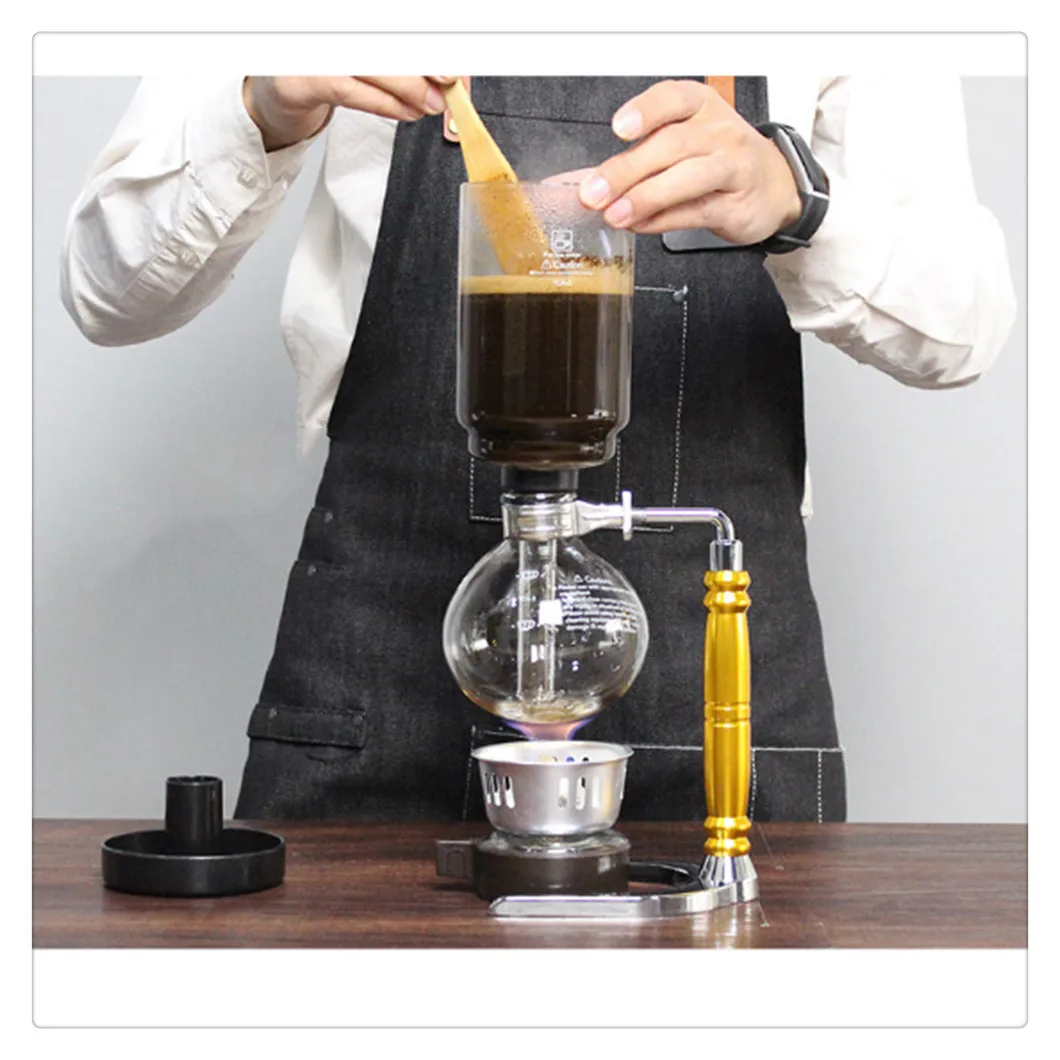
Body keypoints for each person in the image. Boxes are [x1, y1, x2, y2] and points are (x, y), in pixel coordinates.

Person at [60, 75, 1016, 823]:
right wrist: (264, 109)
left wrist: (794, 202)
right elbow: (108, 292)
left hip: (711, 702)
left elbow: (965, 328)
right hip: (375, 677)